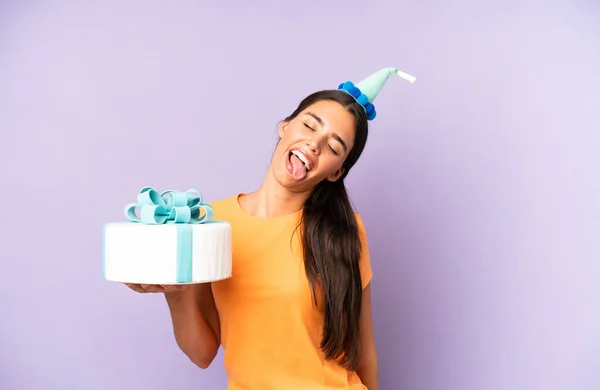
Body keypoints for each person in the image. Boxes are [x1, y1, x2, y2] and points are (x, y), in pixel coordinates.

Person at [125, 67, 415, 390]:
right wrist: (174, 294)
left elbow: (365, 352)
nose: (314, 145)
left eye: (333, 147)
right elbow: (202, 352)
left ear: (337, 172)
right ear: (285, 125)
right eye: (309, 125)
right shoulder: (210, 223)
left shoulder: (344, 231)